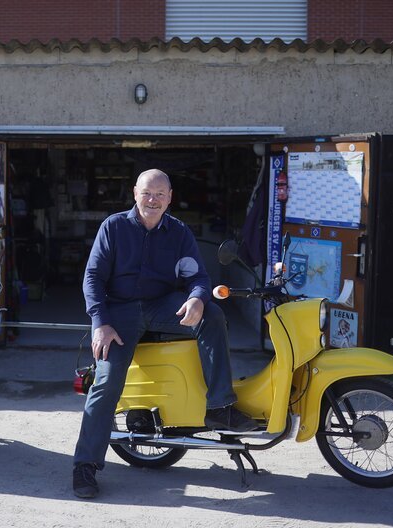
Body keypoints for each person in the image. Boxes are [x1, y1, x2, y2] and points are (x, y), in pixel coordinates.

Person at [72, 168, 258, 499]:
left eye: (160, 194)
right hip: (120, 311)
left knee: (212, 314)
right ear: (134, 193)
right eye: (147, 193)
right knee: (107, 382)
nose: (153, 200)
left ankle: (219, 407)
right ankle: (85, 466)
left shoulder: (179, 232)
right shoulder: (113, 227)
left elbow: (198, 275)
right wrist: (100, 321)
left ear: (170, 197)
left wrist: (197, 298)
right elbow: (93, 278)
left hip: (162, 305)